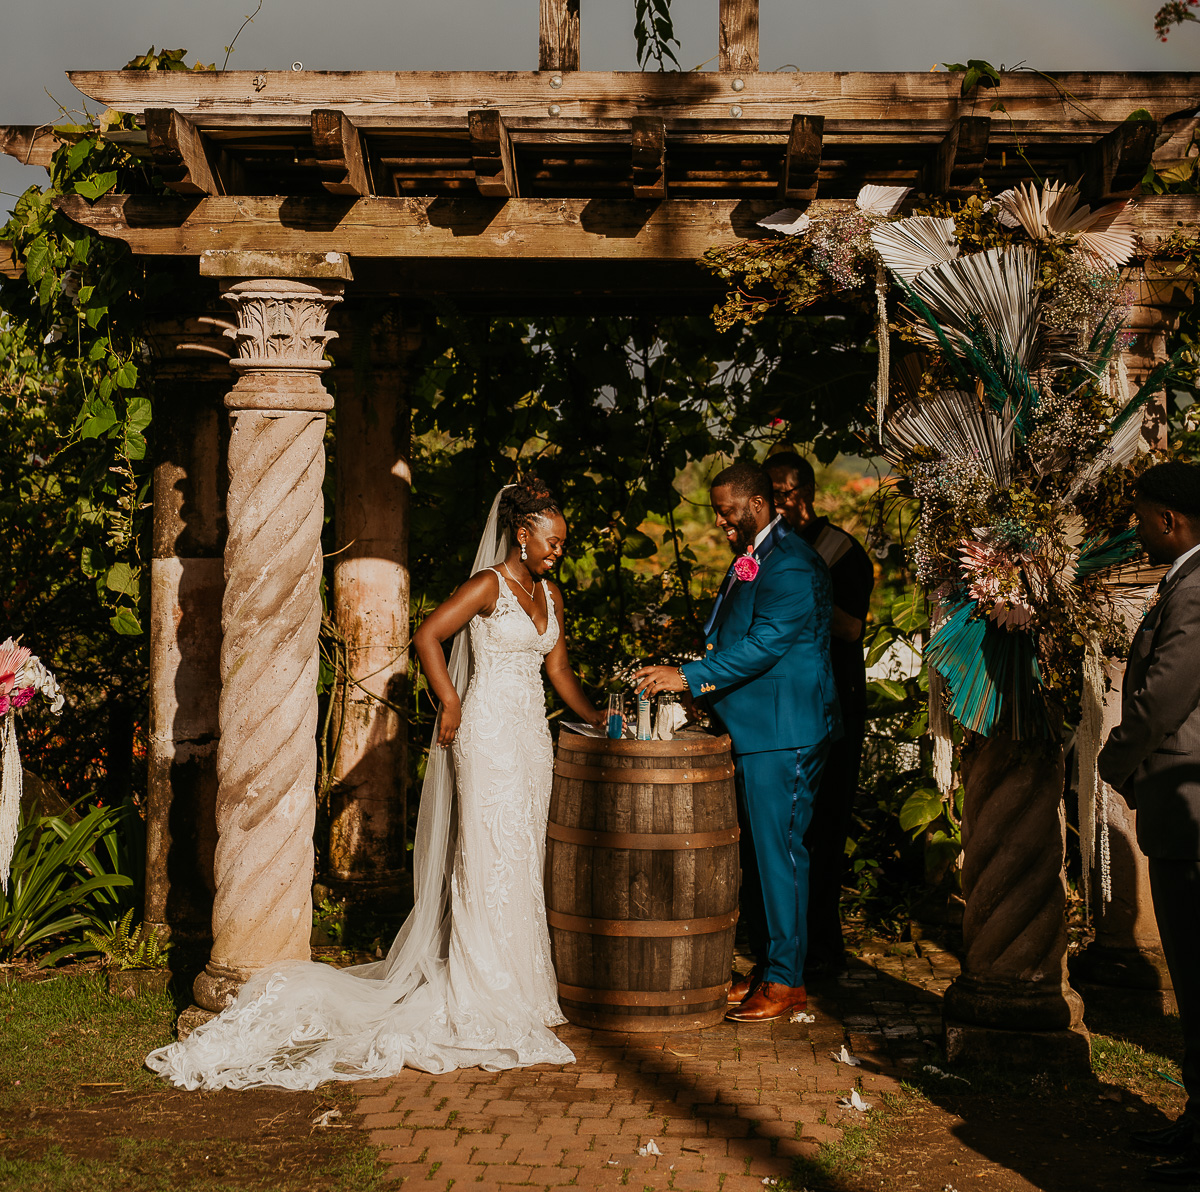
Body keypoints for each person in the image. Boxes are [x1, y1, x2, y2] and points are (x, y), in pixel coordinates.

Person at [146, 477, 604, 1089]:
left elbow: (560, 671)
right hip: (488, 734)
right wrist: (448, 700)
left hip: (531, 742)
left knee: (521, 861)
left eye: (562, 545)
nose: (558, 553)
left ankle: (522, 991)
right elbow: (428, 637)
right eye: (551, 543)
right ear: (521, 535)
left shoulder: (548, 593)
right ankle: (480, 994)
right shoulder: (487, 585)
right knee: (487, 858)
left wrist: (600, 716)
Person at [634, 460, 841, 1021]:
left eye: (727, 512)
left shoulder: (791, 563)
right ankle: (772, 968)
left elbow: (768, 642)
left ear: (756, 504)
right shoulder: (761, 556)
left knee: (783, 857)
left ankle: (786, 983)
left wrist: (690, 675)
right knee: (766, 855)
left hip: (785, 730)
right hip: (760, 729)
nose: (722, 522)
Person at [1098, 461, 1200, 1185]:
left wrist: (1114, 760)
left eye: (1140, 516)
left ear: (1173, 521)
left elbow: (1165, 692)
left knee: (1196, 971)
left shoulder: (1196, 590)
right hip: (1177, 801)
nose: (1135, 528)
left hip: (1190, 813)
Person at [766, 449, 875, 977]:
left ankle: (825, 949)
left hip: (835, 707)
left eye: (786, 493)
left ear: (806, 492)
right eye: (772, 494)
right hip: (781, 709)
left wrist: (798, 601)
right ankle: (784, 943)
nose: (780, 504)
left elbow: (852, 628)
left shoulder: (841, 551)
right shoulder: (761, 552)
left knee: (825, 830)